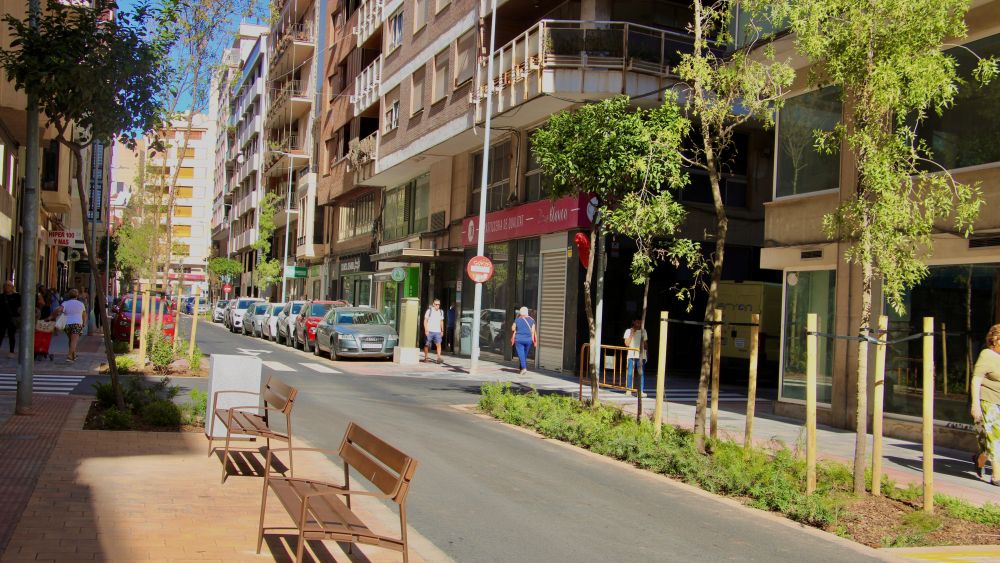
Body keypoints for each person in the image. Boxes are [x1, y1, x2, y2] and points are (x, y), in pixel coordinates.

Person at [971, 324, 1000, 486]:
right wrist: (975, 405)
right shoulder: (987, 355)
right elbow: (976, 379)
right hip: (988, 400)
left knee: (987, 444)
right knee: (996, 436)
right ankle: (997, 476)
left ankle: (980, 459)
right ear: (995, 340)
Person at [55, 289, 87, 363]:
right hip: (77, 323)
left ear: (69, 295)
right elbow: (84, 315)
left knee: (71, 340)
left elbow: (59, 310)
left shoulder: (65, 303)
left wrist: (58, 314)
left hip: (67, 324)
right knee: (74, 341)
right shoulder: (81, 304)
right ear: (77, 295)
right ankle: (69, 356)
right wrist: (84, 323)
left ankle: (74, 355)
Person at [624, 320, 648, 397]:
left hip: (641, 355)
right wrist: (631, 334)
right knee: (630, 372)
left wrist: (646, 351)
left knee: (641, 373)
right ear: (633, 323)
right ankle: (628, 389)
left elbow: (646, 345)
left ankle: (640, 391)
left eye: (640, 322)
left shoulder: (643, 331)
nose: (638, 324)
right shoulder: (628, 331)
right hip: (631, 354)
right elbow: (626, 344)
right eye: (637, 322)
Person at [510, 306, 537, 375]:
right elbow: (533, 331)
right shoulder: (532, 320)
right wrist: (533, 340)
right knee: (524, 355)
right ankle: (521, 368)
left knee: (521, 355)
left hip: (519, 340)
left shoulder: (517, 320)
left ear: (520, 312)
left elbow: (513, 329)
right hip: (528, 340)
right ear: (527, 312)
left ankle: (524, 368)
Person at [0, 281, 20, 357]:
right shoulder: (1, 296)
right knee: (0, 335)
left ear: (12, 287)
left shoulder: (17, 296)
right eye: (6, 285)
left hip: (12, 319)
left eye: (9, 285)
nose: (7, 287)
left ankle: (11, 351)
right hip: (2, 319)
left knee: (11, 335)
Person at [423, 299, 444, 364]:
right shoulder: (429, 311)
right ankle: (426, 357)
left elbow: (441, 321)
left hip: (437, 331)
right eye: (436, 304)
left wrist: (442, 330)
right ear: (433, 304)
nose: (437, 306)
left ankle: (438, 358)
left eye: (439, 304)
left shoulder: (441, 311)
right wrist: (426, 329)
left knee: (438, 344)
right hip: (429, 331)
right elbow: (425, 321)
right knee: (427, 345)